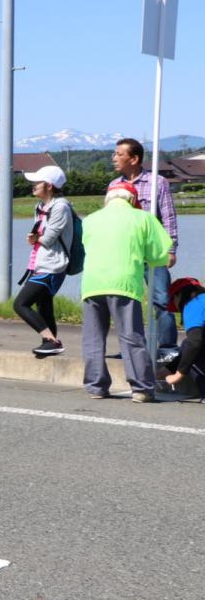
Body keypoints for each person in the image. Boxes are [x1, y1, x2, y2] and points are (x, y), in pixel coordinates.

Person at [80, 181, 172, 402]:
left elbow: (86, 246)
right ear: (132, 200)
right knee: (131, 336)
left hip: (92, 283)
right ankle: (141, 388)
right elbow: (160, 253)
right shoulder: (143, 218)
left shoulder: (91, 219)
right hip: (123, 283)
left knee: (93, 338)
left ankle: (96, 386)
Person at [111, 138, 178, 350]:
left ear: (134, 158)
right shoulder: (114, 186)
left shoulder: (158, 182)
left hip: (153, 252)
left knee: (161, 300)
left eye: (119, 155)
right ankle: (133, 348)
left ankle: (166, 349)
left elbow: (168, 218)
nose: (114, 158)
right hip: (125, 253)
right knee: (127, 301)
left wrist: (171, 249)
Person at [13, 165, 73, 356]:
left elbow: (47, 238)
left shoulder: (60, 206)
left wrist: (35, 238)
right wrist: (36, 238)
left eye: (36, 182)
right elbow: (40, 235)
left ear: (48, 185)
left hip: (53, 265)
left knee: (20, 304)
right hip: (40, 262)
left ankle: (51, 340)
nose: (32, 185)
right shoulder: (40, 207)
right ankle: (50, 345)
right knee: (44, 305)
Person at [162, 277, 205, 401]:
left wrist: (178, 375)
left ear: (179, 295)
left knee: (192, 349)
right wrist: (168, 369)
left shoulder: (193, 305)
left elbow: (194, 344)